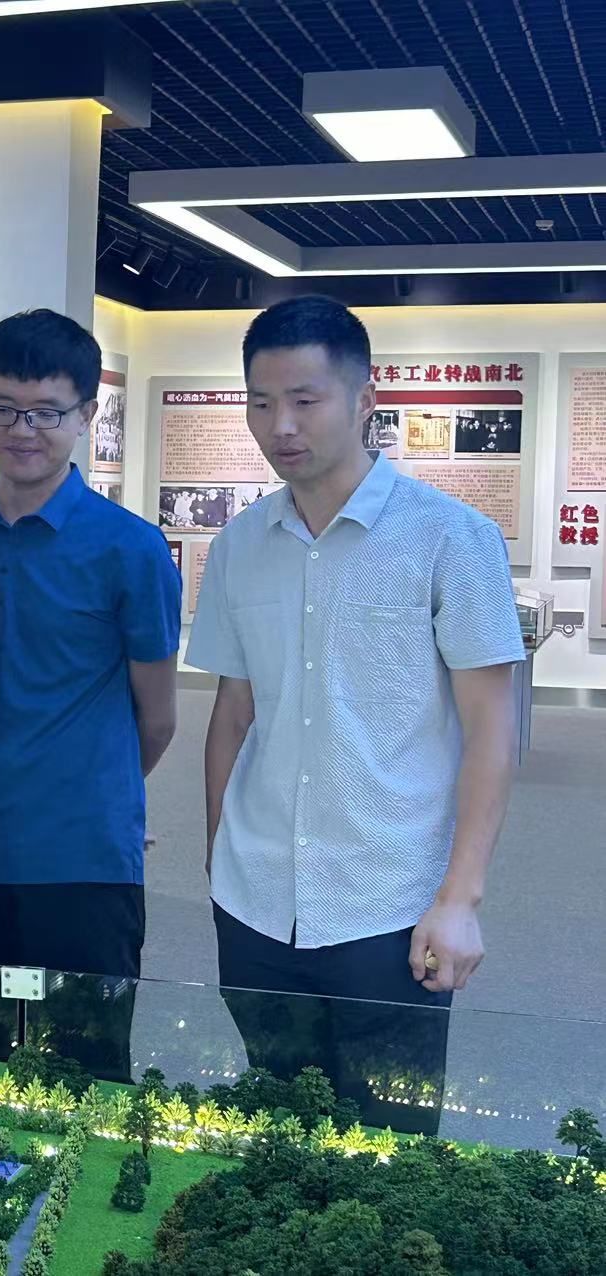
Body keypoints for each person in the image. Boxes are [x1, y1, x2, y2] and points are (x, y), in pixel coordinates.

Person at [188, 296, 524, 1137]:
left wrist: (461, 898)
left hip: (389, 905)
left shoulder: (451, 539)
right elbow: (233, 712)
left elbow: (493, 730)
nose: (281, 426)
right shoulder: (238, 545)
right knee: (274, 1130)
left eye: (305, 400)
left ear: (366, 399)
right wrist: (219, 852)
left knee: (387, 1149)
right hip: (256, 902)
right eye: (261, 402)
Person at [0, 311, 180, 1079]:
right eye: (3, 408)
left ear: (86, 414)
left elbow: (157, 718)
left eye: (46, 412)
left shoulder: (130, 548)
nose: (23, 430)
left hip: (84, 865)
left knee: (86, 1067)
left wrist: (98, 793)